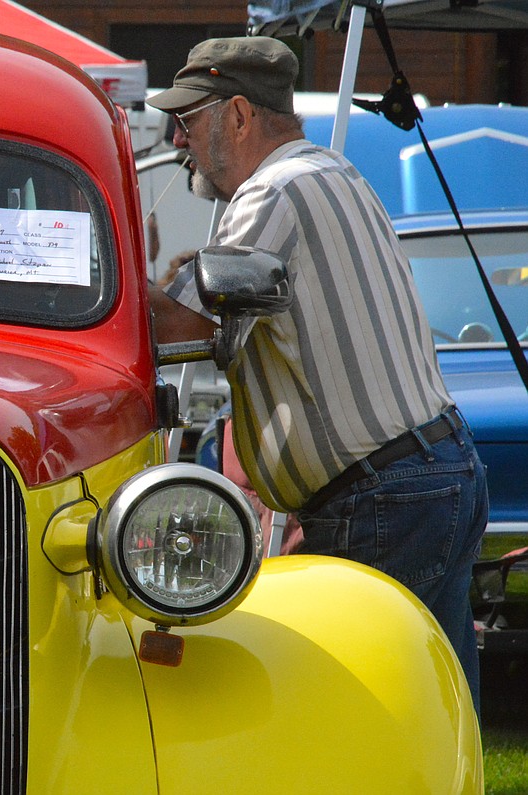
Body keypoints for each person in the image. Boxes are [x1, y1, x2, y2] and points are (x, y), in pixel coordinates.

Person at [146, 36, 489, 711]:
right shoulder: (329, 171)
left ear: (239, 116)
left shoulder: (275, 190)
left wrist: (123, 264)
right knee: (436, 706)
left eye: (189, 120)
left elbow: (173, 327)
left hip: (382, 496)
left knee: (360, 712)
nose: (180, 140)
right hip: (426, 471)